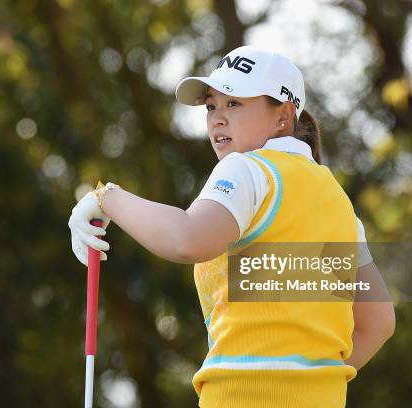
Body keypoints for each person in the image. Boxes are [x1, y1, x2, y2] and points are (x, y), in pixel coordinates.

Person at [68, 45, 395, 407]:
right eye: (211, 106)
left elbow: (188, 238)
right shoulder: (339, 203)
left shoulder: (246, 169)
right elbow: (378, 322)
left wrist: (106, 198)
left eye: (234, 104)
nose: (217, 119)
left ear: (283, 116)